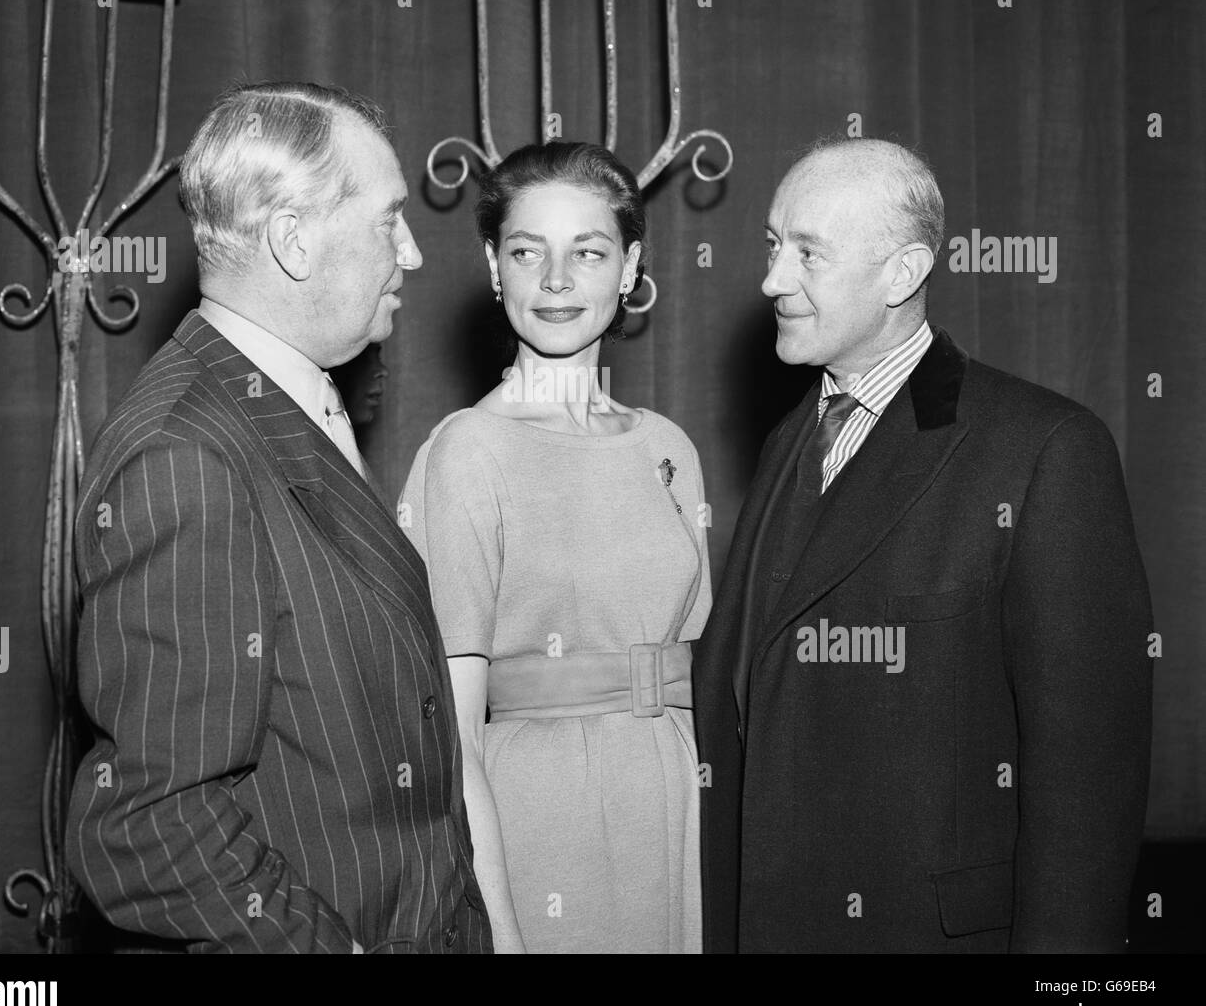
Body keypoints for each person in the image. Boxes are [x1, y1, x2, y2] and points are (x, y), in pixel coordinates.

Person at [694, 137, 1153, 954]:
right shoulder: (788, 442)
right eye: (772, 244)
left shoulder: (1045, 448)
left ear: (903, 274)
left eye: (808, 253)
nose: (770, 279)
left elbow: (1086, 786)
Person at [66, 81, 491, 954]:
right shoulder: (185, 454)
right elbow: (153, 826)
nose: (410, 253)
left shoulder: (287, 396)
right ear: (295, 242)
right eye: (387, 221)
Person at [400, 142, 709, 953]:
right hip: (542, 819)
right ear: (494, 268)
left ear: (631, 265)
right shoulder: (468, 450)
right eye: (528, 252)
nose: (558, 281)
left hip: (677, 805)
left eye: (590, 252)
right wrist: (501, 932)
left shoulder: (667, 446)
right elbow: (453, 734)